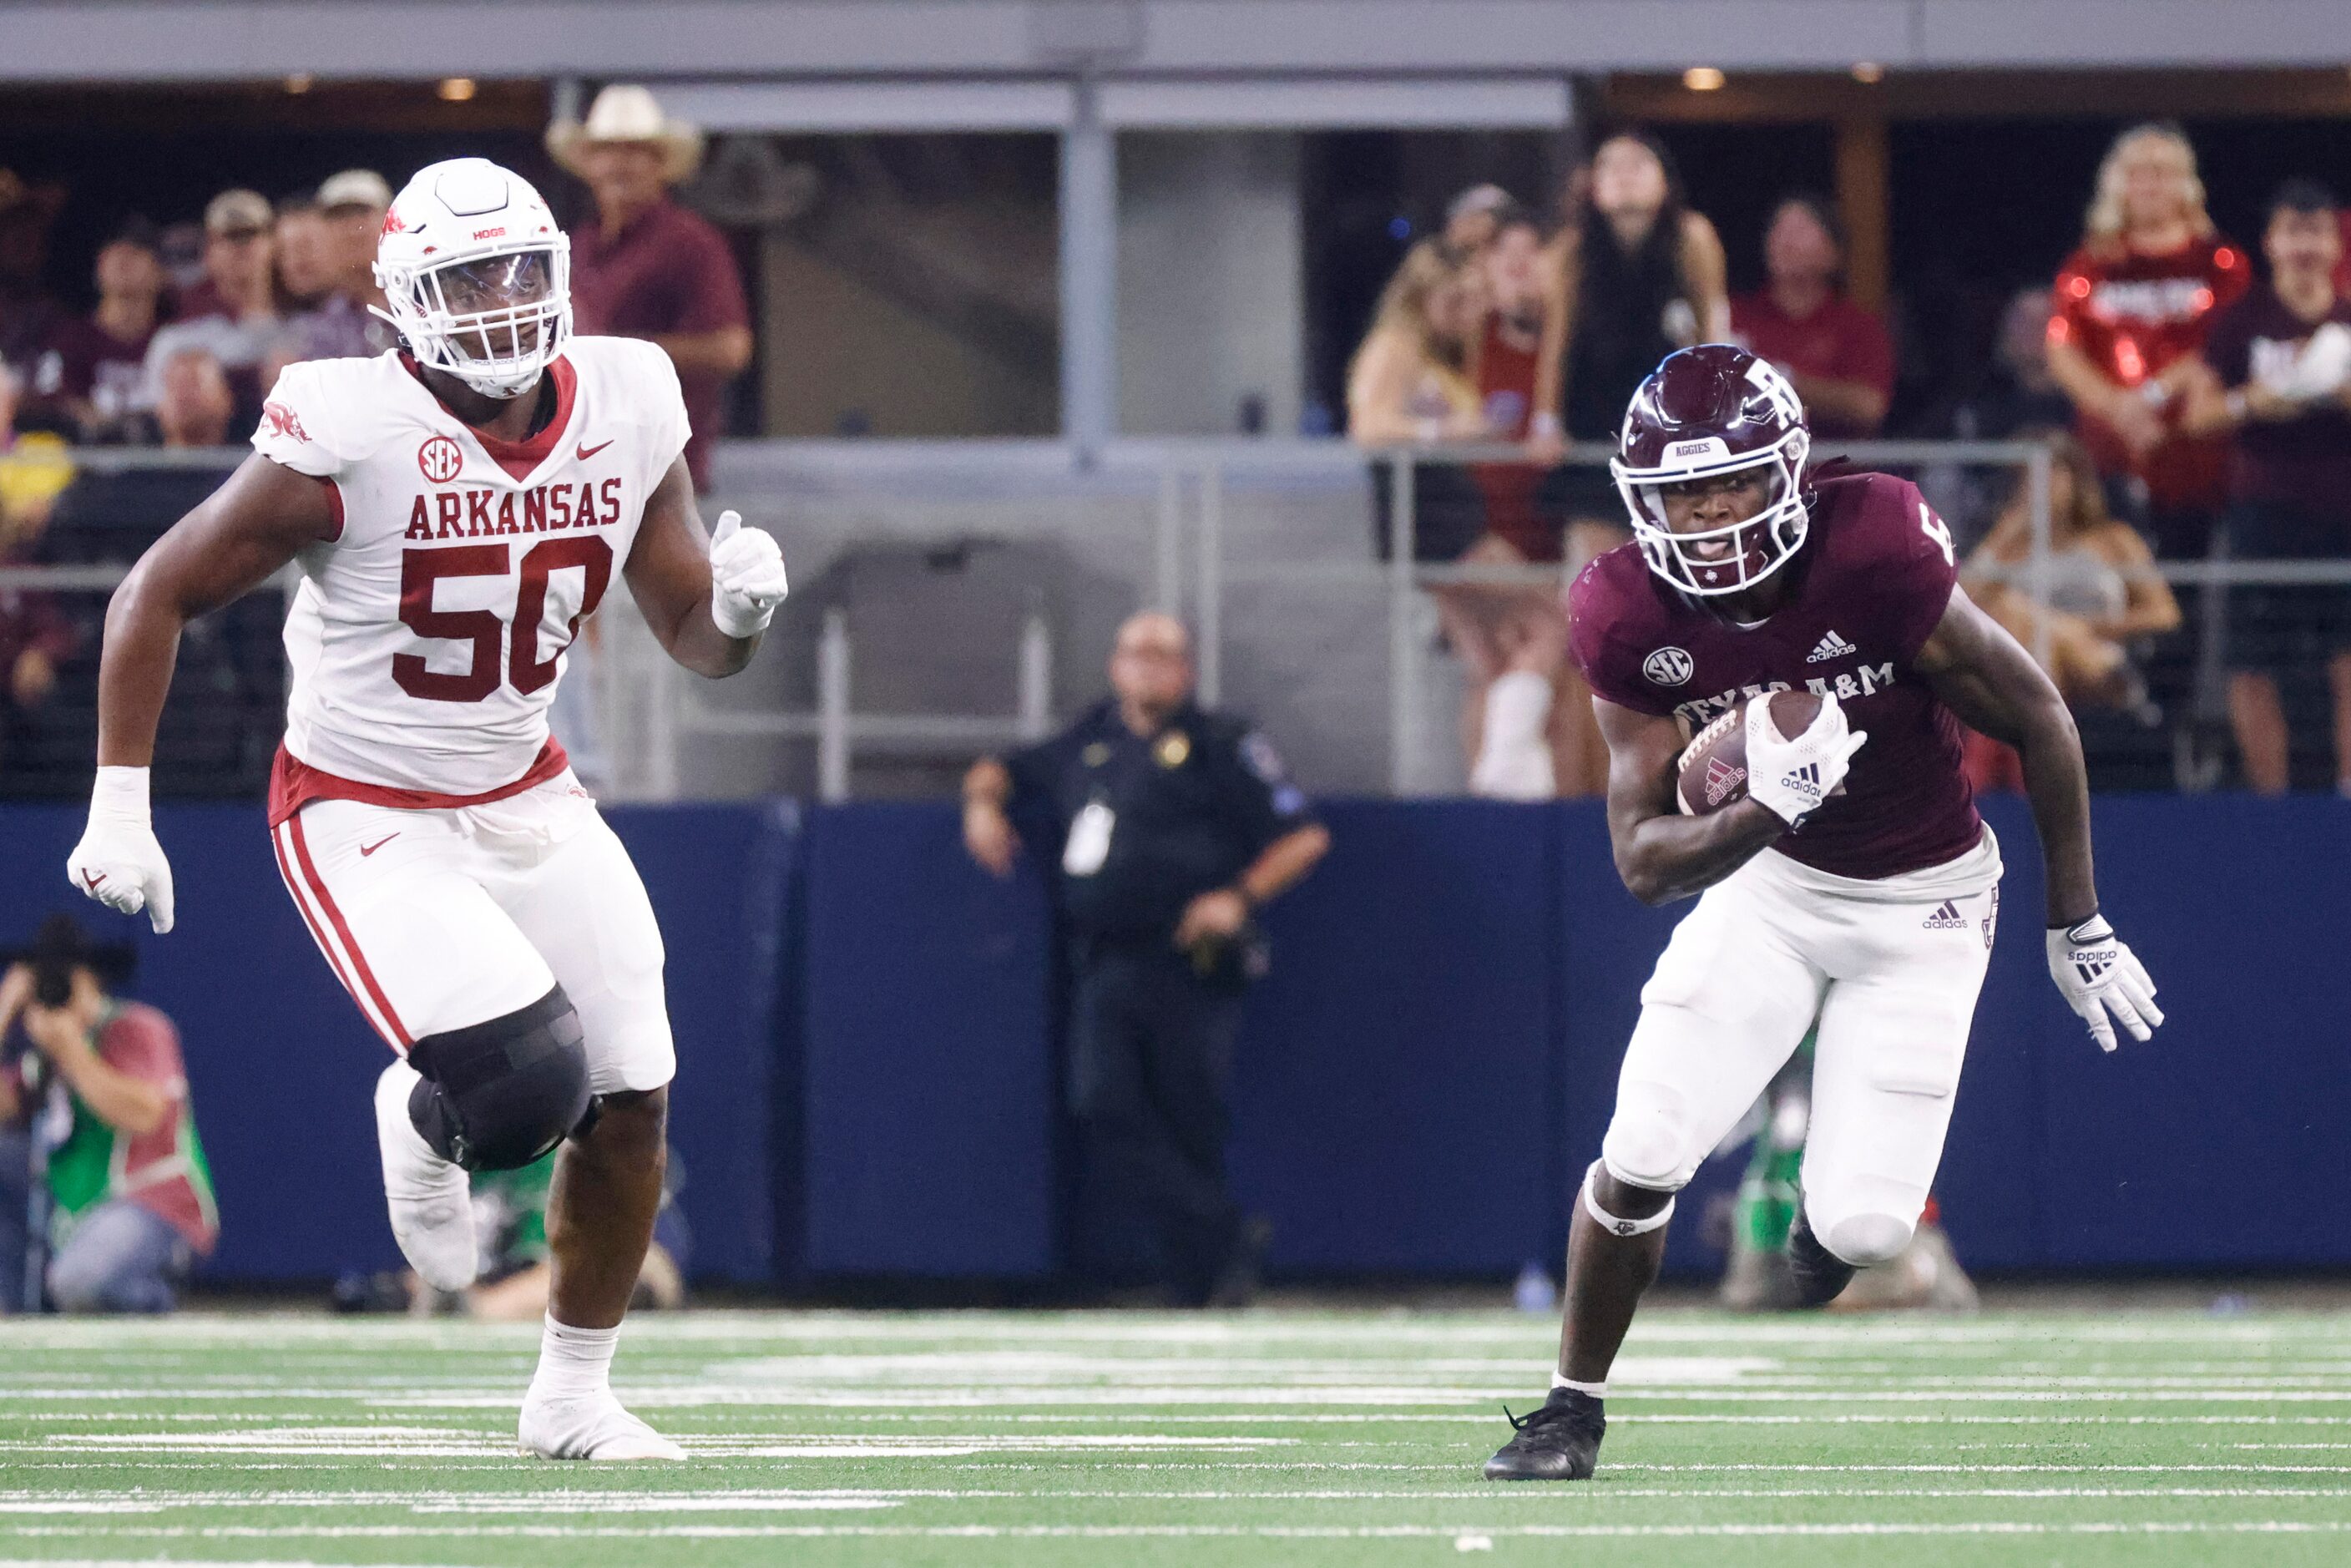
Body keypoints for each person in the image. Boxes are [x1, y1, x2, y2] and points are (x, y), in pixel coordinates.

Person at [63, 158, 790, 1459]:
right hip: (363, 803)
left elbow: (688, 627)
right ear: (401, 303)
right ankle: (424, 1107)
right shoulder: (348, 424)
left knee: (633, 1094)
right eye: (468, 278)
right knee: (524, 1087)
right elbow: (154, 592)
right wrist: (123, 802)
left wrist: (737, 613)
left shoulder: (629, 393)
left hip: (526, 787)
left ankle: (572, 1395)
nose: (504, 301)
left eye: (522, 270)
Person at [1482, 346, 2161, 1482]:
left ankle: (1817, 1214)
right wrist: (1767, 816)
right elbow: (1644, 862)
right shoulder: (1623, 607)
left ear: (1788, 473)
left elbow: (2041, 713)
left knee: (1862, 1234)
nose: (1706, 517)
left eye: (1731, 484)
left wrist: (2075, 921)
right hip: (1775, 893)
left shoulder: (1879, 547)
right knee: (1644, 1142)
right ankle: (1569, 1409)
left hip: (1927, 903)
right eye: (1682, 493)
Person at [960, 612, 1330, 1306]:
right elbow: (1001, 768)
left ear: (1187, 671)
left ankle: (1204, 1280)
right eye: (1138, 653)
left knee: (1189, 1115)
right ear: (1115, 665)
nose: (1150, 667)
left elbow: (1302, 836)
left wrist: (1237, 898)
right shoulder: (1091, 739)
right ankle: (1222, 1240)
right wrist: (982, 806)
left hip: (1193, 957)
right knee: (1104, 1103)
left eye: (1165, 655)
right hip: (1107, 955)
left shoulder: (1222, 742)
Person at [1530, 130, 1731, 798]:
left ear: (1664, 180)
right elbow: (1555, 343)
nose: (1622, 177)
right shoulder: (1571, 253)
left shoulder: (1693, 239)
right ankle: (1581, 786)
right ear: (1591, 184)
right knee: (1594, 624)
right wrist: (1546, 420)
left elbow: (1713, 331)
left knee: (1673, 625)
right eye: (1608, 165)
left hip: (1672, 454)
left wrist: (1725, 423)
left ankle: (1682, 776)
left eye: (1638, 163)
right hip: (1594, 450)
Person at [2177, 180, 2351, 793]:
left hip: (2342, 515)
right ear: (2272, 242)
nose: (2306, 246)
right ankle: (2269, 805)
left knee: (2348, 661)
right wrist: (2252, 403)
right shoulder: (2241, 322)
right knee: (2251, 661)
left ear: (2335, 242)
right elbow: (2197, 415)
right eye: (2293, 232)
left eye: (2317, 232)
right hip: (2262, 514)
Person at [2045, 123, 2249, 561]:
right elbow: (2062, 347)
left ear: (2185, 183)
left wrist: (2152, 397)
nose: (2150, 184)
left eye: (2161, 172)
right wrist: (2120, 408)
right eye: (2138, 172)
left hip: (2196, 447)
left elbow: (2226, 343)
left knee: (2191, 574)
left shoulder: (2220, 262)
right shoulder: (2089, 264)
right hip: (2108, 451)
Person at [0, 914, 216, 1313]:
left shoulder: (138, 1028)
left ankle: (160, 1307)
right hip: (74, 1214)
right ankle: (17, 1314)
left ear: (91, 978)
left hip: (153, 1206)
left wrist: (72, 1050)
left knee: (78, 1283)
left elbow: (146, 1115)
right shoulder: (41, 1062)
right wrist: (3, 1012)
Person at [549, 85, 751, 493]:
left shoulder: (691, 241)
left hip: (666, 474)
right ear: (588, 164)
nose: (619, 165)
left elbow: (731, 350)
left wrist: (624, 351)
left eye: (635, 152)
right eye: (606, 151)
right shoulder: (581, 244)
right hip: (585, 471)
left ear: (660, 164)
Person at [1732, 195, 1895, 439]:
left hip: (1831, 469)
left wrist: (1782, 380)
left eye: (1800, 230)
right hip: (1753, 467)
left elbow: (1870, 406)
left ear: (1834, 251)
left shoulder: (1857, 326)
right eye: (1778, 228)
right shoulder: (1737, 316)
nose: (1785, 240)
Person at [143, 189, 278, 429]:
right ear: (208, 253)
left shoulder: (303, 330)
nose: (240, 247)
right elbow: (156, 415)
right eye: (227, 237)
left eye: (250, 234)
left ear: (273, 244)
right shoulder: (177, 339)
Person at [27, 220, 167, 445]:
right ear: (98, 267)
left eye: (137, 252)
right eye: (113, 251)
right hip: (83, 463)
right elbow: (48, 404)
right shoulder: (69, 339)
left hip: (158, 461)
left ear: (161, 272)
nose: (123, 258)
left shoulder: (174, 340)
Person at [278, 171, 399, 367]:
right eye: (338, 217)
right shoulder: (317, 331)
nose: (352, 228)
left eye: (363, 213)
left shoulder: (425, 300)